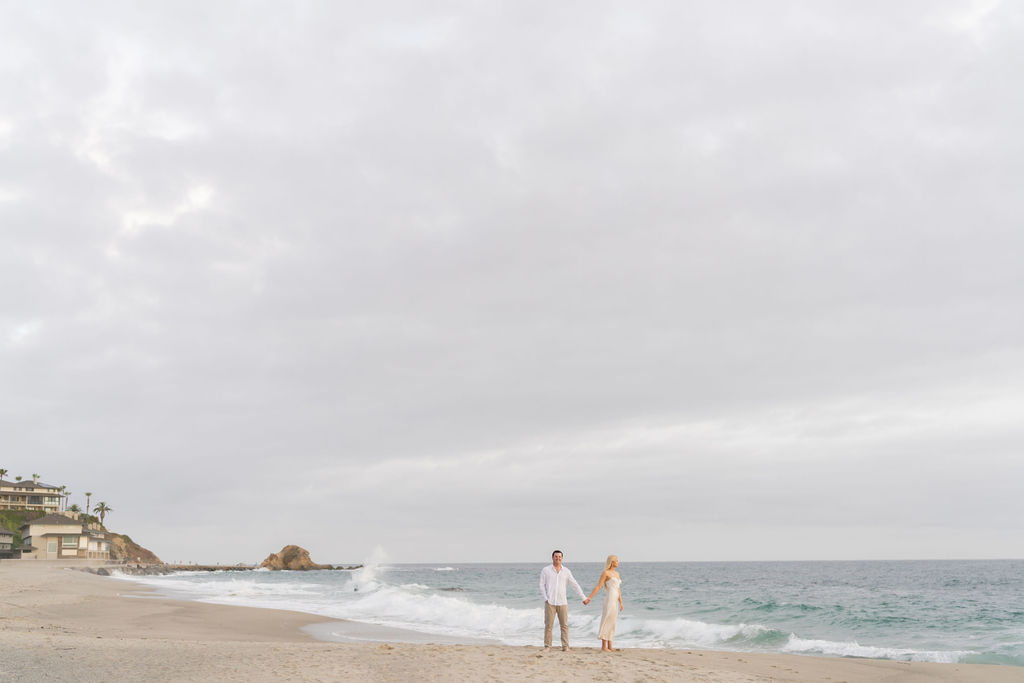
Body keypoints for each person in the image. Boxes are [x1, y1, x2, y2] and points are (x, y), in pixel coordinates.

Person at [539, 549, 589, 651]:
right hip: (550, 602)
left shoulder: (566, 571)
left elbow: (575, 585)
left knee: (564, 625)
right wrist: (546, 598)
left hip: (562, 602)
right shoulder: (546, 570)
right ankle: (547, 646)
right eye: (556, 557)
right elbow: (541, 585)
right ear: (552, 558)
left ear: (562, 558)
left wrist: (583, 597)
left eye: (559, 557)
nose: (558, 558)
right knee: (548, 625)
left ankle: (565, 646)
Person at [586, 554, 623, 652]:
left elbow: (618, 589)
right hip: (609, 599)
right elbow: (598, 586)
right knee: (606, 620)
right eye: (617, 561)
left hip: (615, 600)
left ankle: (610, 645)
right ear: (612, 562)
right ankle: (603, 646)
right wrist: (589, 597)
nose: (618, 562)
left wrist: (621, 602)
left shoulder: (617, 574)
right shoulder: (605, 573)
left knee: (612, 621)